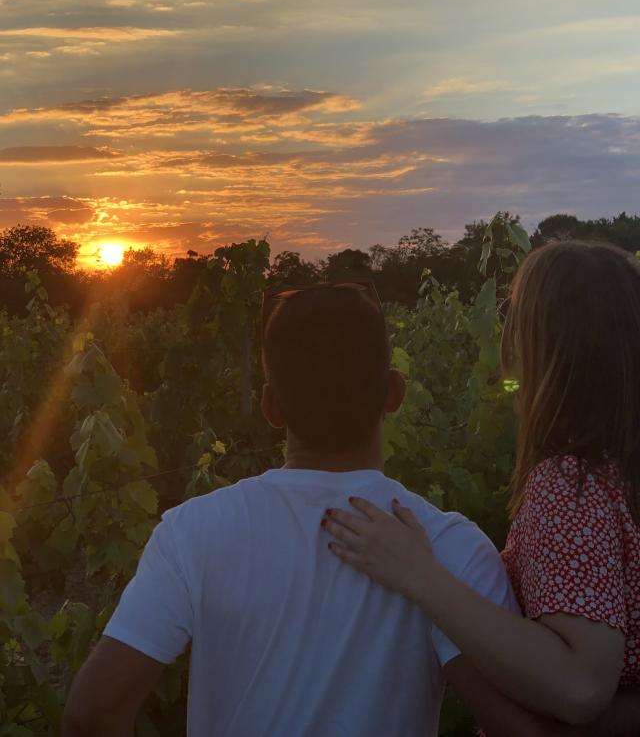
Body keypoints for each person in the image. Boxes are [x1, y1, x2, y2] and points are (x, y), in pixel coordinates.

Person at [63, 280, 520, 737]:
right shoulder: (450, 548)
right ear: (394, 393)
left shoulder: (194, 531)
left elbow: (93, 711)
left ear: (271, 406)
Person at [322, 242, 640, 735]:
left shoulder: (572, 484)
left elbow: (581, 686)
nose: (505, 341)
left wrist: (421, 578)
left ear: (543, 350)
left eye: (516, 324)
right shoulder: (620, 471)